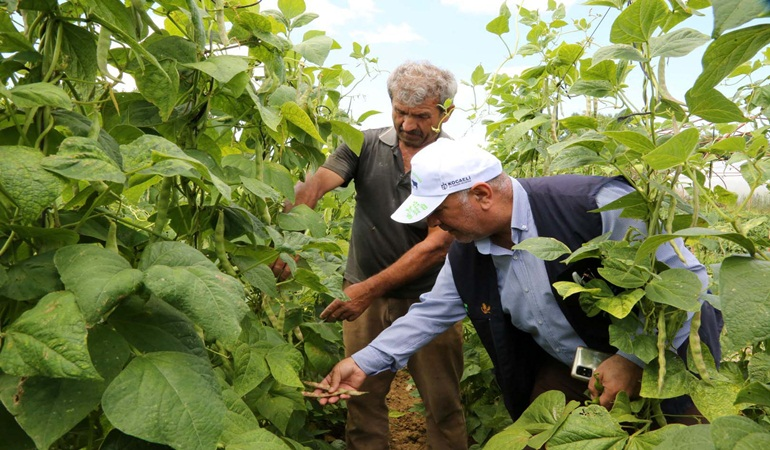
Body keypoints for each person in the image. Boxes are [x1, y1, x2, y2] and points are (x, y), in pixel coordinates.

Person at [311, 138, 723, 423]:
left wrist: (635, 360)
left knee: (683, 434)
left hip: (669, 354)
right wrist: (361, 363)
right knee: (537, 432)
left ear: (482, 195)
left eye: (438, 212)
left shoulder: (595, 205)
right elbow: (430, 315)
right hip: (577, 365)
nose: (432, 225)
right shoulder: (468, 252)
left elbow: (687, 282)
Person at [271, 62, 467, 449]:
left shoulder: (456, 162)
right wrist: (286, 239)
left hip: (432, 298)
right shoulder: (363, 144)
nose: (409, 125)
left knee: (443, 402)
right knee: (360, 398)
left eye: (422, 116)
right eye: (401, 112)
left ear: (445, 112)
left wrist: (366, 291)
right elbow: (315, 186)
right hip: (363, 293)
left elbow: (436, 245)